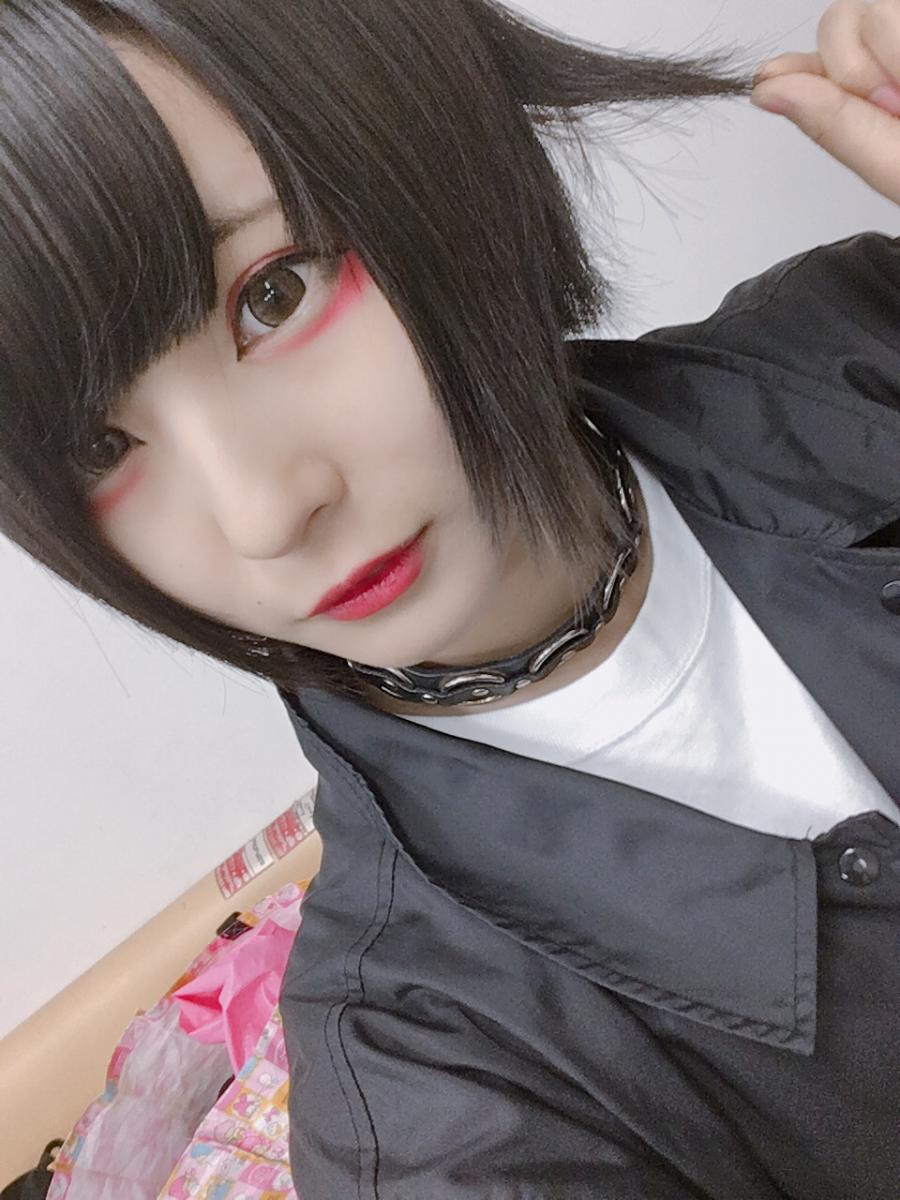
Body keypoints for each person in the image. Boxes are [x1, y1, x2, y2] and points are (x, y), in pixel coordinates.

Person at [0, 1, 898, 1196]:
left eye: (273, 294)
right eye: (98, 449)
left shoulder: (859, 337)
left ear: (433, 150)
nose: (265, 513)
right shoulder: (430, 1100)